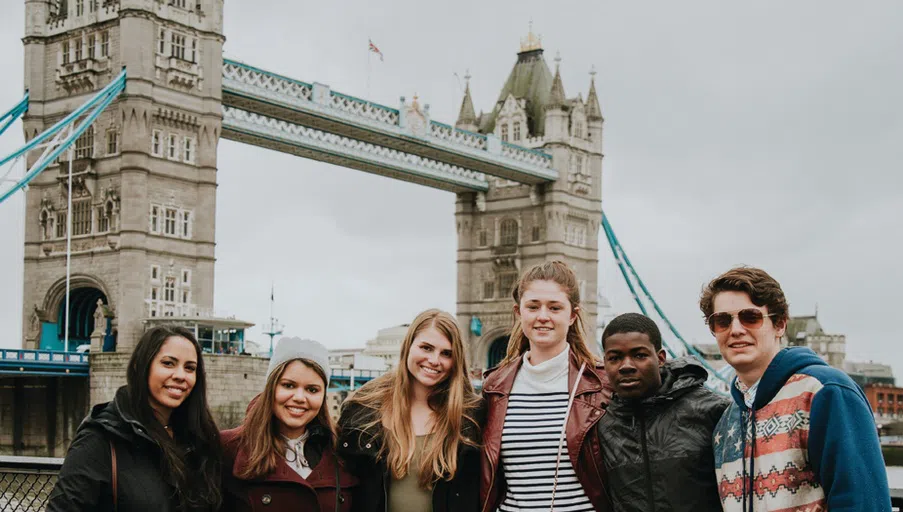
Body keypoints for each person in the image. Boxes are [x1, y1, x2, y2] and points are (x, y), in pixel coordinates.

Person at [700, 266, 891, 511]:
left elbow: (863, 503)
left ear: (780, 325)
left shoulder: (826, 393)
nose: (736, 329)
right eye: (722, 321)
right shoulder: (725, 424)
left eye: (750, 317)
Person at [480, 260, 613, 512]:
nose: (543, 316)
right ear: (519, 313)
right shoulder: (493, 387)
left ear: (572, 315)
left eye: (554, 308)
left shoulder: (602, 385)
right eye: (533, 306)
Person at [46, 325, 222, 512]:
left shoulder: (198, 440)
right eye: (168, 363)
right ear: (141, 367)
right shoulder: (100, 439)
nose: (180, 376)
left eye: (190, 368)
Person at [337, 309, 482, 512]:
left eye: (446, 353)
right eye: (426, 348)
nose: (434, 360)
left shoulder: (472, 417)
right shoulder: (363, 409)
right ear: (408, 347)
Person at [597, 312, 729, 512]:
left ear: (660, 359)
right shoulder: (602, 425)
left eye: (639, 355)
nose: (626, 366)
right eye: (615, 358)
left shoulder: (712, 411)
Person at [220, 337, 357, 511]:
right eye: (288, 385)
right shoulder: (227, 448)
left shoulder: (341, 452)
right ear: (271, 387)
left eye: (312, 390)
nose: (300, 398)